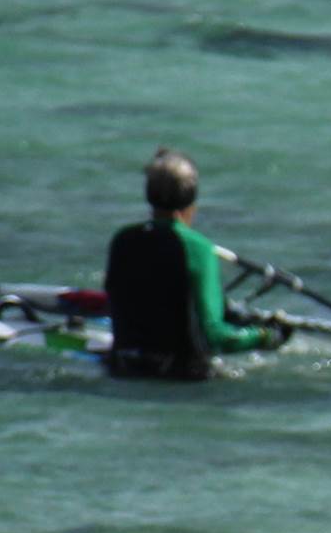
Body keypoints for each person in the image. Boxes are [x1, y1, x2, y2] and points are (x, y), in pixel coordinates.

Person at [102, 149, 285, 382]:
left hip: (123, 368)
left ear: (149, 195)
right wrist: (267, 336)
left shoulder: (122, 240)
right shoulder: (198, 248)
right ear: (192, 199)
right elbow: (216, 337)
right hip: (183, 378)